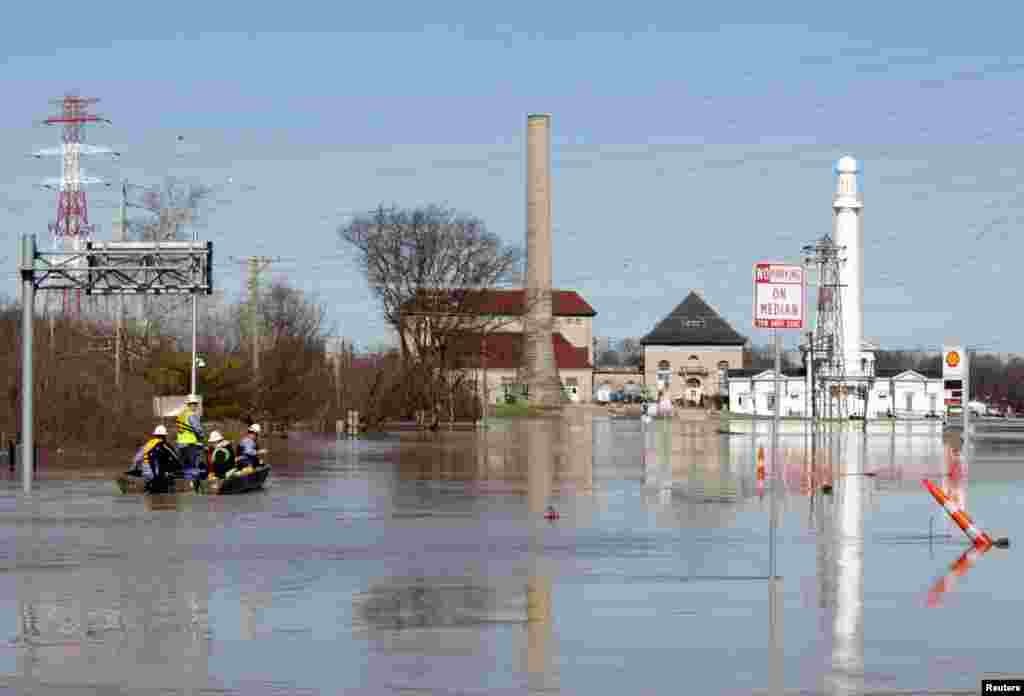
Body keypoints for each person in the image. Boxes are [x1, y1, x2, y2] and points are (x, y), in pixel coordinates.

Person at [139, 425, 180, 492]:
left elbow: (139, 458)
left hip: (146, 473)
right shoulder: (165, 445)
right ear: (164, 436)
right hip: (159, 475)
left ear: (155, 435)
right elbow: (175, 458)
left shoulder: (148, 444)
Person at [176, 395, 206, 480]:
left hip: (180, 445)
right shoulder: (191, 415)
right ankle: (192, 484)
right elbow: (198, 428)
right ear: (189, 405)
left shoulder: (181, 415)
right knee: (192, 466)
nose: (195, 406)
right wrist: (202, 437)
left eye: (195, 404)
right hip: (190, 444)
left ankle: (186, 484)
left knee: (185, 467)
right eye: (194, 404)